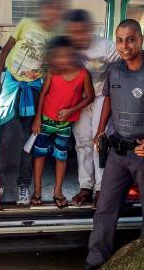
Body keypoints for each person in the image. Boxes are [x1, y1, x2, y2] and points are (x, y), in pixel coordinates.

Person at [85, 19, 144, 269]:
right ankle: (96, 260)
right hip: (118, 152)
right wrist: (100, 131)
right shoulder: (114, 71)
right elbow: (108, 99)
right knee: (105, 208)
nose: (125, 45)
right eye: (120, 39)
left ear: (141, 40)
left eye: (130, 39)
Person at [65, 10, 144, 207]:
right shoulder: (67, 48)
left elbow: (127, 53)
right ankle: (85, 186)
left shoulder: (104, 46)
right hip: (79, 100)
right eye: (74, 33)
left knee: (99, 141)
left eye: (82, 32)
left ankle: (101, 188)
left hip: (103, 96)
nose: (79, 36)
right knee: (82, 142)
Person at [0, 0, 66, 208]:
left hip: (33, 89)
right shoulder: (26, 22)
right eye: (50, 9)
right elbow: (5, 50)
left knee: (28, 140)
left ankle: (24, 184)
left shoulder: (56, 37)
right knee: (4, 137)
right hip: (11, 84)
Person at [30, 36, 95, 208]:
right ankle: (37, 191)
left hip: (65, 124)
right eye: (59, 56)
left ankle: (57, 192)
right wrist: (37, 118)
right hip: (45, 120)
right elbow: (43, 94)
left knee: (61, 156)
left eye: (67, 55)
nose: (63, 59)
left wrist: (72, 111)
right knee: (40, 155)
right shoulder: (52, 72)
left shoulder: (83, 74)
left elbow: (90, 96)